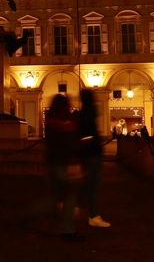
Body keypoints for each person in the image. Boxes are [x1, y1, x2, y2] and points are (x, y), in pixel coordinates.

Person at [41, 94, 82, 240]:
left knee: (54, 199)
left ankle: (25, 215)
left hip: (53, 162)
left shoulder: (50, 120)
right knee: (69, 197)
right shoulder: (65, 122)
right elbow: (70, 144)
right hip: (64, 164)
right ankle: (68, 230)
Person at [77, 89, 111, 228]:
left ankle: (74, 205)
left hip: (88, 153)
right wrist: (93, 143)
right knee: (92, 185)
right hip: (92, 154)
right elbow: (88, 135)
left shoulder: (84, 113)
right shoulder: (89, 113)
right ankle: (93, 215)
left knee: (89, 184)